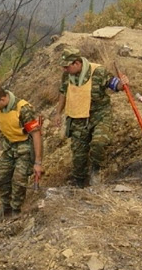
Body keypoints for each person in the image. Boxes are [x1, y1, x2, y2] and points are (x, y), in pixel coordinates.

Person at [53, 47, 128, 188]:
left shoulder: (98, 72)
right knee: (78, 158)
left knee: (99, 143)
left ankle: (95, 170)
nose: (64, 70)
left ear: (77, 63)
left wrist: (122, 84)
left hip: (100, 115)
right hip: (78, 118)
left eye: (67, 67)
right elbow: (63, 93)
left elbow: (114, 85)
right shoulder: (67, 76)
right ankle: (79, 183)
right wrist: (58, 113)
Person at [0, 84, 43, 221]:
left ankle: (16, 211)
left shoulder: (23, 109)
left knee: (19, 180)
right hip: (9, 146)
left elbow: (36, 135)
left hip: (24, 147)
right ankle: (6, 209)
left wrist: (38, 162)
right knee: (2, 177)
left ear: (3, 99)